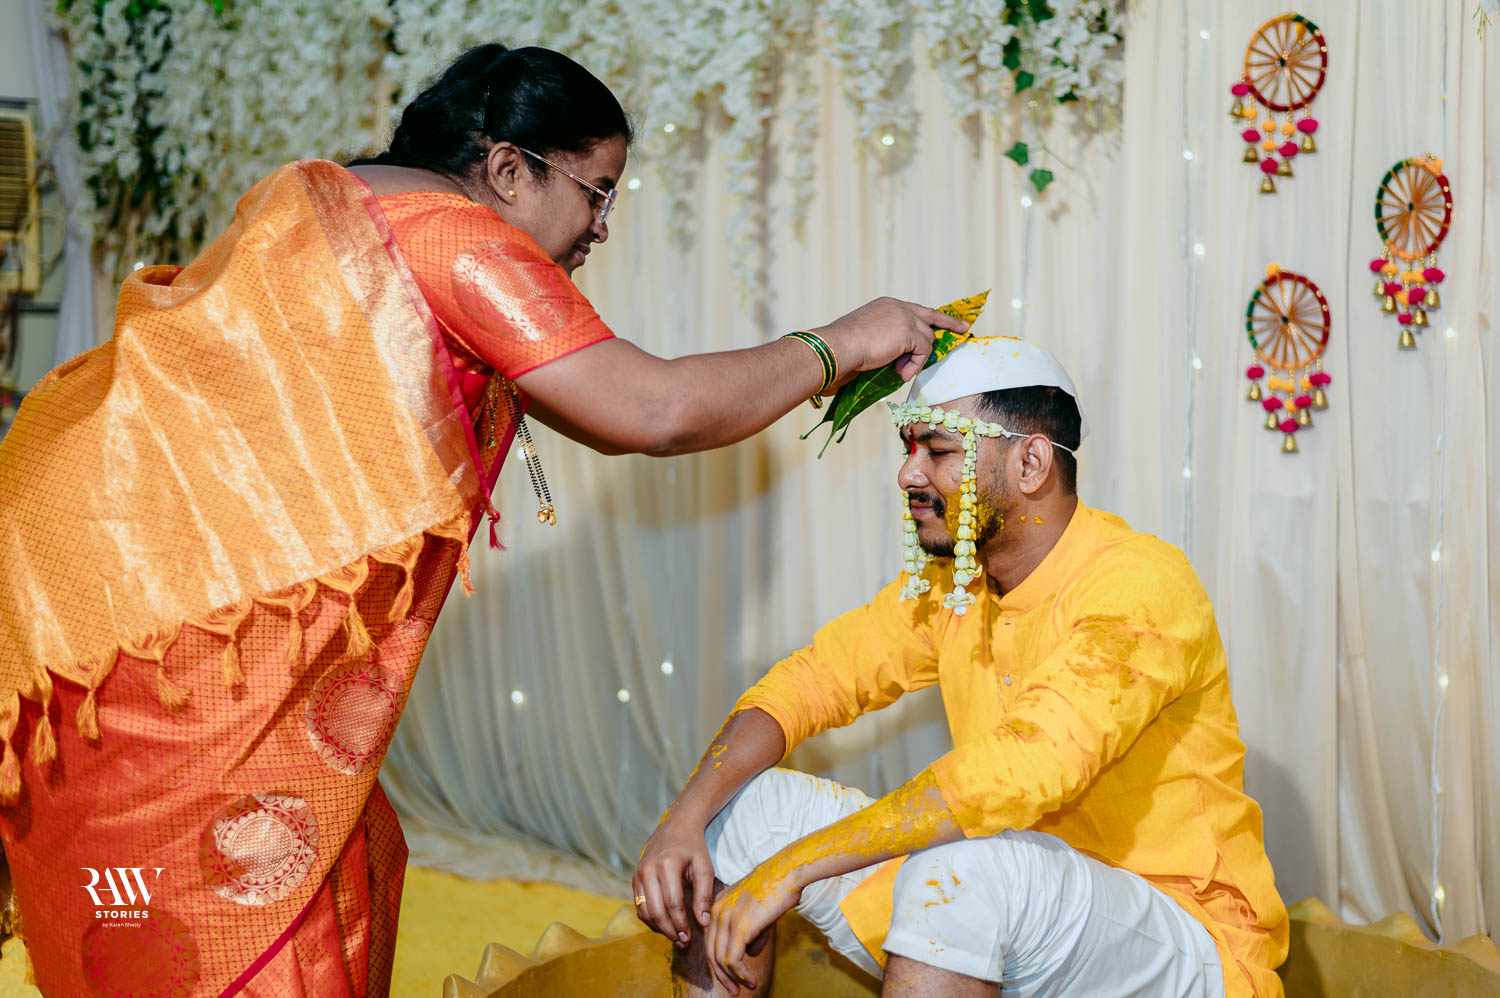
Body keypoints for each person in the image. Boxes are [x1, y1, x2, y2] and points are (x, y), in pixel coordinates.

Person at [0, 44, 965, 997]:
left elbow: (610, 405)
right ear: (508, 169)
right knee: (248, 905)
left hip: (96, 585)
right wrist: (845, 338)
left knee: (338, 854)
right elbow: (653, 410)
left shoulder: (347, 210)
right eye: (596, 191)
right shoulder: (451, 237)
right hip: (173, 630)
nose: (601, 228)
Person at [635, 336, 1288, 998]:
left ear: (1031, 462)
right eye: (908, 449)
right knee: (742, 811)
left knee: (959, 872)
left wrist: (795, 868)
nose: (908, 475)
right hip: (1006, 898)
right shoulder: (957, 586)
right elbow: (810, 682)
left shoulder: (1140, 582)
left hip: (1180, 938)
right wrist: (682, 820)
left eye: (939, 451)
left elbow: (1023, 767)